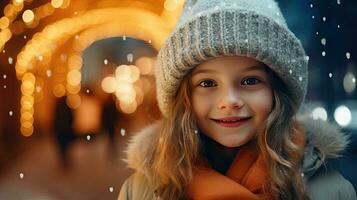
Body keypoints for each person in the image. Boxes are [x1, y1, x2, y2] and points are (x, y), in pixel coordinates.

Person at [118, 0, 357, 199]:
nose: (230, 101)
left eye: (250, 81)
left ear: (278, 91)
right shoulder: (140, 191)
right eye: (208, 83)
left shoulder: (331, 191)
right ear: (183, 98)